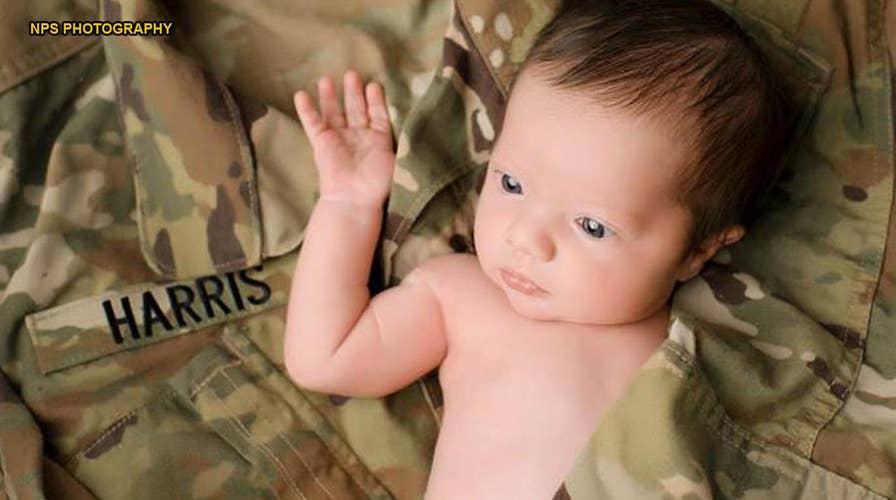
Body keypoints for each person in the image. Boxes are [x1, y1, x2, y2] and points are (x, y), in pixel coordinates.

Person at [283, 0, 794, 498]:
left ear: (697, 251)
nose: (525, 238)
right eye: (511, 183)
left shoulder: (712, 349)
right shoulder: (461, 296)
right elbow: (326, 358)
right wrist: (348, 204)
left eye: (592, 226)